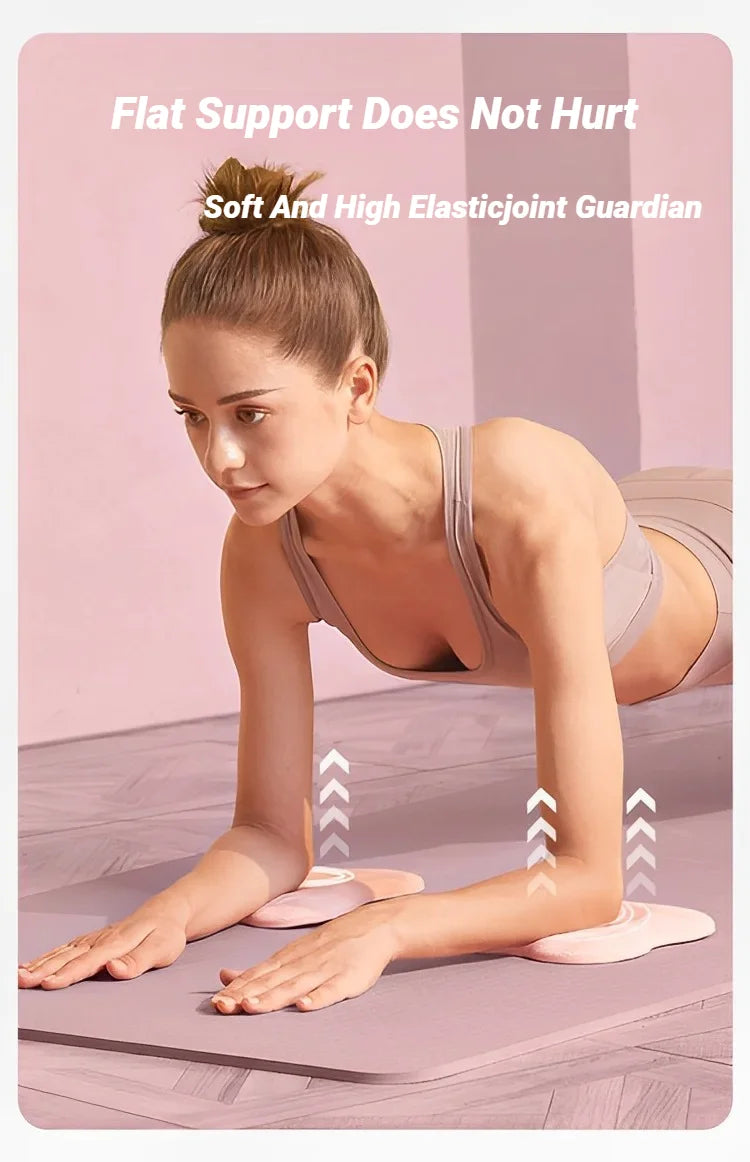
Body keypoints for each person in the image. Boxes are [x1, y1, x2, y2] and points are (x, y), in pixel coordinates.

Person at [19, 158, 732, 1015]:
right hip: (641, 512)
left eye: (250, 413)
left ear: (356, 386)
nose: (220, 458)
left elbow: (585, 879)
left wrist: (387, 928)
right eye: (192, 416)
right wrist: (165, 915)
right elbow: (270, 835)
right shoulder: (264, 553)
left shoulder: (516, 491)